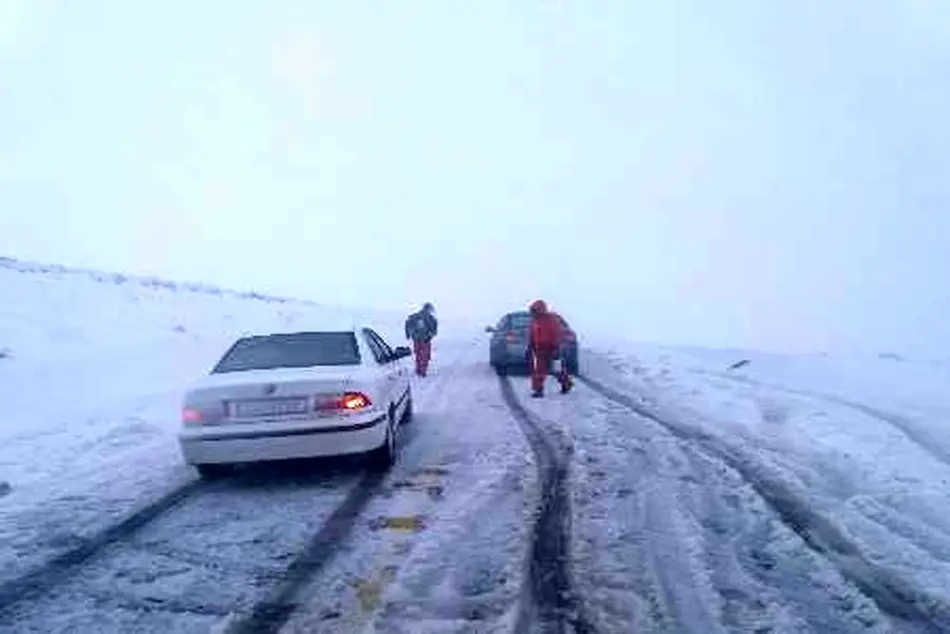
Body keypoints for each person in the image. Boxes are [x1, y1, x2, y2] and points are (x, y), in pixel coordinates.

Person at [528, 299, 573, 397]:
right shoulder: (534, 321)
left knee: (556, 370)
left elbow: (557, 333)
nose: (533, 313)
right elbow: (532, 334)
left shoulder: (551, 319)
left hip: (552, 348)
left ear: (540, 310)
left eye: (534, 310)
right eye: (532, 311)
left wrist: (557, 347)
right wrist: (531, 346)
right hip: (539, 349)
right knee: (539, 370)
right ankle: (538, 390)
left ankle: (566, 383)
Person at [405, 302, 438, 377]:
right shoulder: (431, 318)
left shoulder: (414, 316)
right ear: (429, 309)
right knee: (425, 356)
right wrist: (430, 335)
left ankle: (418, 370)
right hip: (426, 340)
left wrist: (408, 334)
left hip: (416, 339)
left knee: (418, 355)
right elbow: (434, 330)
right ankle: (422, 372)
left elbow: (407, 323)